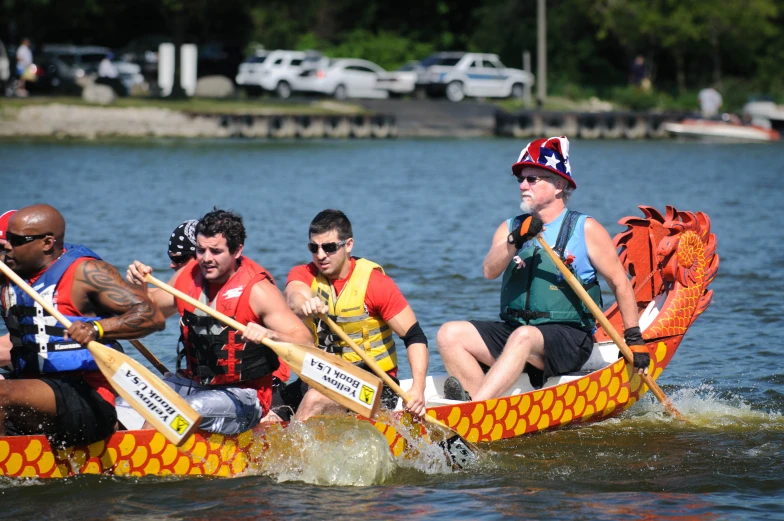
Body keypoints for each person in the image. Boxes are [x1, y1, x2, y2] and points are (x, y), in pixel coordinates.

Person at [436, 136, 649, 402]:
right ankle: (484, 406)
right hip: (518, 331)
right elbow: (489, 271)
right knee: (449, 334)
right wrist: (515, 239)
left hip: (569, 339)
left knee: (524, 336)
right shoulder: (510, 227)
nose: (523, 185)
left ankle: (477, 406)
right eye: (521, 180)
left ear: (559, 185)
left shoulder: (585, 229)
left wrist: (634, 337)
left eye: (532, 179)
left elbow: (620, 283)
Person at [126, 208, 312, 434]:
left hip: (245, 396)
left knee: (183, 408)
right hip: (196, 384)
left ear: (237, 250)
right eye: (201, 250)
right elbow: (151, 315)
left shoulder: (258, 291)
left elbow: (306, 343)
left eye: (215, 251)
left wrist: (271, 335)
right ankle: (144, 455)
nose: (206, 259)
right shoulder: (187, 276)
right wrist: (139, 288)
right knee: (152, 399)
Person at [0, 204, 166, 445]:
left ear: (47, 243)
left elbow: (152, 316)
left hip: (87, 397)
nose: (8, 249)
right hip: (32, 385)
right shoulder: (10, 273)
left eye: (16, 241)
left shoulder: (85, 272)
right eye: (6, 242)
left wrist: (97, 328)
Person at [282, 209, 429, 421]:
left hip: (376, 385)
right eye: (314, 247)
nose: (320, 255)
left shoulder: (375, 284)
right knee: (267, 409)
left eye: (329, 247)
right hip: (324, 376)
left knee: (315, 400)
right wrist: (305, 303)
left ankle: (293, 453)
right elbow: (294, 297)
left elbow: (415, 337)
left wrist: (418, 388)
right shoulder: (304, 273)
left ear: (348, 245)